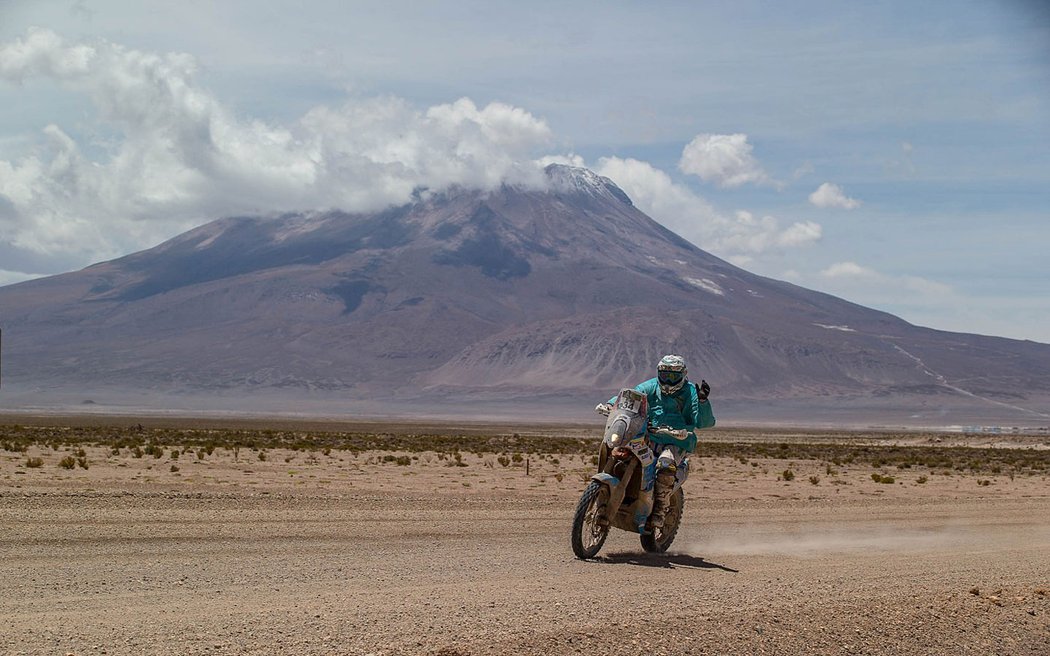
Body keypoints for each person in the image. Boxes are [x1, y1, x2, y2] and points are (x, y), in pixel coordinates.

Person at [596, 354, 715, 530]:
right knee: (620, 449)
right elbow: (632, 397)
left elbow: (705, 423)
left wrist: (703, 401)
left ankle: (659, 509)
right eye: (665, 375)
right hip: (649, 436)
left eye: (673, 376)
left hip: (677, 441)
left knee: (665, 464)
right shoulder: (651, 386)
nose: (668, 380)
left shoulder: (691, 392)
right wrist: (611, 404)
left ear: (683, 375)